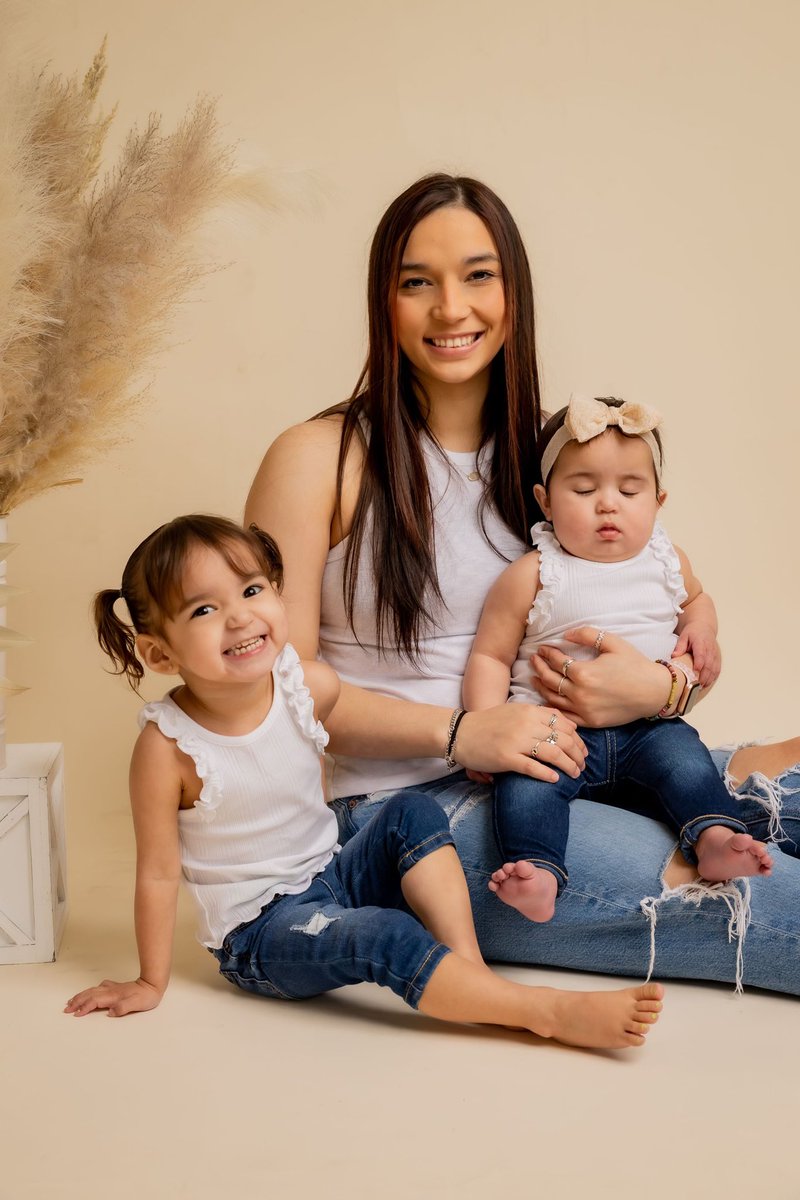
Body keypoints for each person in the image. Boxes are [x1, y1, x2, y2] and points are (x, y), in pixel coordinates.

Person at [246, 172, 800, 995]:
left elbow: (654, 601)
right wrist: (461, 733)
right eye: (415, 282)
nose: (450, 309)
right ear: (383, 300)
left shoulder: (552, 456)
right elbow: (273, 690)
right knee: (777, 901)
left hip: (589, 756)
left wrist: (661, 685)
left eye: (477, 275)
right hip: (412, 811)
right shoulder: (317, 456)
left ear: (514, 291)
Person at [63, 514, 664, 1048]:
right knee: (383, 934)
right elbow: (159, 871)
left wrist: (477, 730)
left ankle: (472, 973)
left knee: (411, 812)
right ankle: (539, 1012)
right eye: (204, 609)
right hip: (261, 932)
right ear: (161, 653)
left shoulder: (303, 686)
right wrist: (149, 979)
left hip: (331, 873)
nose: (240, 616)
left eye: (251, 590)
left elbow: (370, 717)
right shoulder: (168, 748)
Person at [463, 393, 772, 924]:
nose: (609, 503)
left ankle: (716, 835)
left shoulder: (667, 561)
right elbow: (490, 655)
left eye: (630, 490)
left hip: (649, 726)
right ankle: (535, 870)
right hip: (554, 731)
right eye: (583, 489)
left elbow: (697, 600)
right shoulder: (534, 574)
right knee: (526, 790)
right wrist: (484, 728)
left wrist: (702, 629)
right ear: (545, 500)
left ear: (658, 500)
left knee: (686, 763)